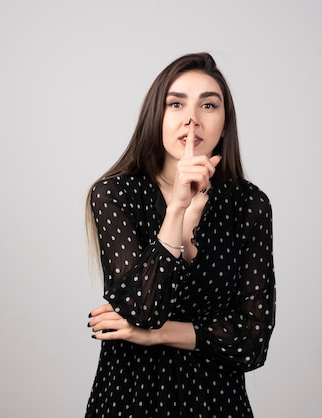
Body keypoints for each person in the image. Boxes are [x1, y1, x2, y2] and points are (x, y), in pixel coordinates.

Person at [85, 52, 275, 418]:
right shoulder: (116, 194)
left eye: (209, 104)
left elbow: (252, 343)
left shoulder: (249, 204)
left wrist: (154, 335)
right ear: (156, 116)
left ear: (225, 122)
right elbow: (143, 308)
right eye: (176, 103)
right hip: (129, 399)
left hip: (217, 403)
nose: (192, 118)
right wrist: (178, 214)